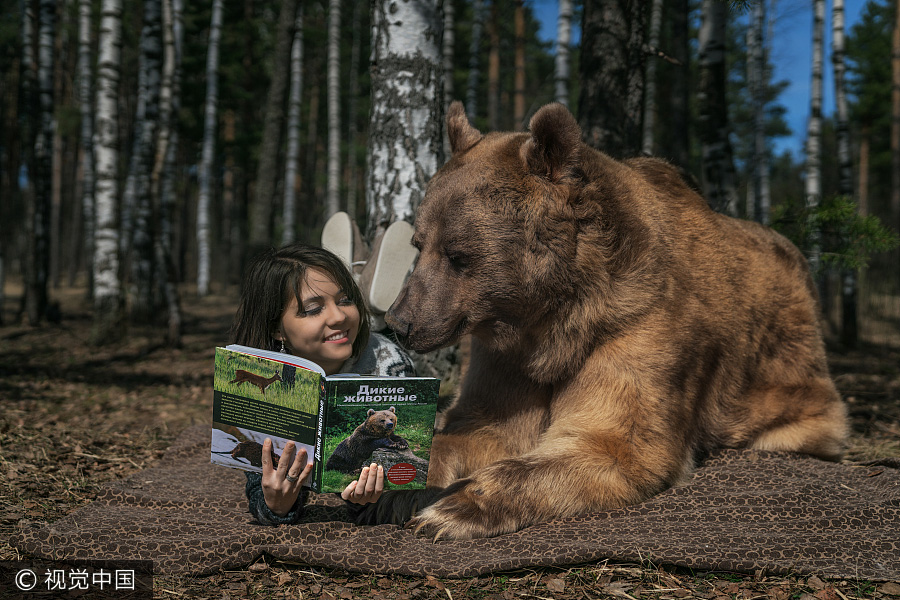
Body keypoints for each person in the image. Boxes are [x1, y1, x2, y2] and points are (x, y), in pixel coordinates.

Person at [230, 242, 417, 525]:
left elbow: (401, 483)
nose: (339, 316)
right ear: (276, 329)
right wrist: (276, 505)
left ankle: (368, 276)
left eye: (344, 300)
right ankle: (361, 265)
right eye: (314, 309)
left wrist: (365, 501)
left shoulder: (389, 362)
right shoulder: (263, 381)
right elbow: (261, 495)